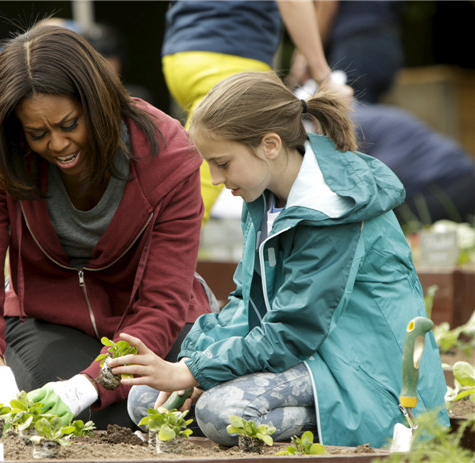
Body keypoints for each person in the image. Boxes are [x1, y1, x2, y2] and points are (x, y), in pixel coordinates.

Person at [107, 71, 450, 448]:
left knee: (221, 413)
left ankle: (358, 422)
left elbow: (293, 330)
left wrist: (194, 372)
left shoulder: (333, 208)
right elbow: (245, 300)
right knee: (146, 401)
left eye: (222, 163)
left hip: (362, 367)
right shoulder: (262, 192)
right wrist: (193, 361)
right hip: (302, 353)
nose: (216, 179)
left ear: (270, 145)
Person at [0, 24, 213, 430]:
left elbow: (162, 301)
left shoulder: (167, 153)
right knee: (89, 419)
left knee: (162, 409)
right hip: (50, 323)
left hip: (155, 326)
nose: (57, 145)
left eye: (69, 124)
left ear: (98, 103)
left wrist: (90, 384)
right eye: (37, 133)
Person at [161, 0, 353, 225]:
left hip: (179, 56)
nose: (217, 179)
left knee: (198, 167)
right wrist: (323, 76)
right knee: (195, 197)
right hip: (232, 54)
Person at [288, 1, 405, 104]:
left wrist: (304, 57)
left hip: (357, 47)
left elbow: (327, 4)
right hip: (388, 46)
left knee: (349, 115)